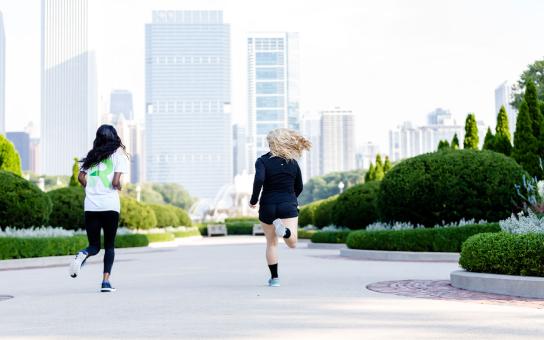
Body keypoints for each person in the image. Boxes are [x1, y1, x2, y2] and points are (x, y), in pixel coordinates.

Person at [68, 125, 129, 292]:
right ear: (114, 137)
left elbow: (80, 177)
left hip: (91, 206)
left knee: (94, 246)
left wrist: (91, 188)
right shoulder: (118, 155)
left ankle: (83, 254)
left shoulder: (91, 156)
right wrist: (120, 187)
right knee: (109, 246)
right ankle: (105, 283)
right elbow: (116, 182)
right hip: (110, 206)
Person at [249, 128, 311, 287]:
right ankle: (285, 231)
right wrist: (290, 200)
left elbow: (259, 180)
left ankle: (274, 278)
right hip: (287, 205)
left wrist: (254, 200)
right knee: (292, 243)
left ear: (271, 144)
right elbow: (300, 186)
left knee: (271, 243)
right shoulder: (293, 163)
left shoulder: (262, 161)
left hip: (268, 206)